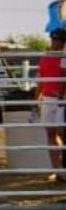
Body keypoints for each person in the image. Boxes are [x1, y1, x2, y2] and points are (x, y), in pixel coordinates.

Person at [36, 28, 66, 181]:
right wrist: (37, 97)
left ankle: (61, 167)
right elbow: (41, 78)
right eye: (53, 39)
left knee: (61, 131)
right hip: (48, 98)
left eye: (58, 40)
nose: (55, 42)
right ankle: (57, 170)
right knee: (50, 133)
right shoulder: (45, 56)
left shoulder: (64, 57)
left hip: (61, 99)